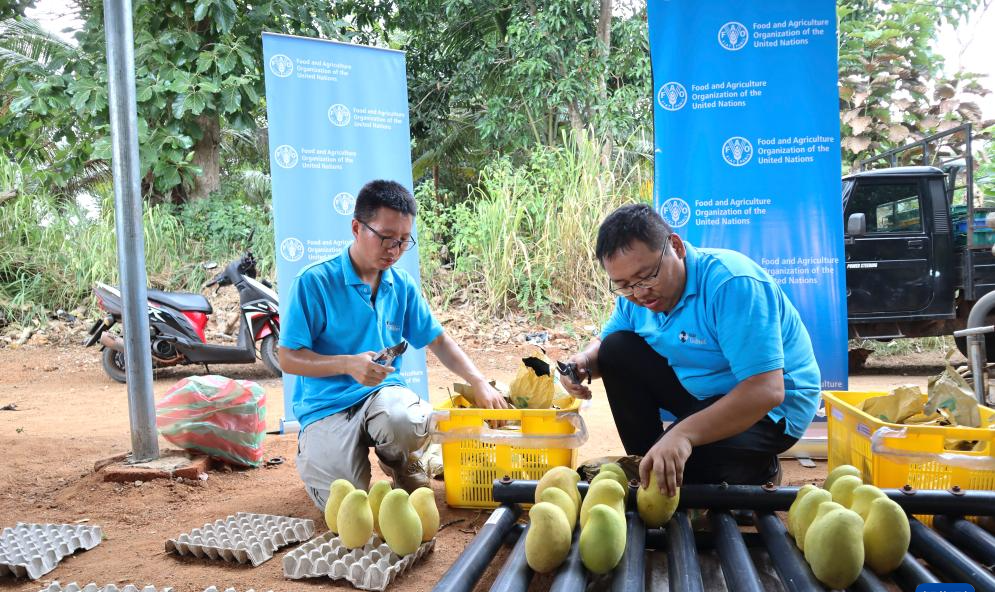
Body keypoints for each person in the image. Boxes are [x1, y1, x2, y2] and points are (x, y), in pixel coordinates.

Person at [561, 203, 820, 496]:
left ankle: (761, 469)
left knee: (691, 470)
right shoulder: (635, 297)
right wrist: (582, 362)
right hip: (703, 397)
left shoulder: (731, 284)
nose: (640, 293)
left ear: (676, 247)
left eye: (647, 276)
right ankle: (651, 460)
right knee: (616, 349)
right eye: (624, 285)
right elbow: (604, 346)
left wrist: (683, 434)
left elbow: (766, 391)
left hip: (771, 412)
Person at [279, 179, 508, 509]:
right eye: (386, 237)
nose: (394, 249)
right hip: (326, 406)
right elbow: (287, 357)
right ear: (356, 228)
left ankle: (400, 461)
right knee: (347, 503)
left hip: (382, 395)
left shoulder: (401, 284)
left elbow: (438, 340)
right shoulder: (314, 282)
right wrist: (347, 364)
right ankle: (319, 454)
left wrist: (479, 382)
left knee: (404, 420)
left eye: (403, 240)